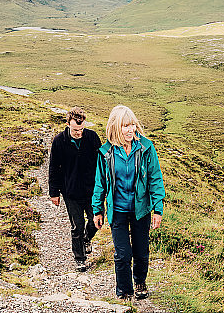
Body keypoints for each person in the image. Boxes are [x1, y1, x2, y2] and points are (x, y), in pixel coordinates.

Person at [92, 105, 164, 301]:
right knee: (123, 254)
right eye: (125, 125)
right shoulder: (105, 153)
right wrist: (97, 210)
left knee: (141, 251)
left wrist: (158, 209)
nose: (130, 129)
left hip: (141, 210)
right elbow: (100, 183)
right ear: (115, 127)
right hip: (118, 211)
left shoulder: (146, 148)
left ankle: (140, 281)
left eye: (132, 124)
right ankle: (124, 290)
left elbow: (155, 179)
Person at [49, 107, 102, 270]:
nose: (79, 133)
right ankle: (80, 258)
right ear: (68, 124)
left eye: (81, 129)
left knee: (97, 222)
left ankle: (87, 239)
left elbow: (102, 163)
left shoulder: (92, 137)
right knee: (77, 225)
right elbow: (54, 168)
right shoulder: (59, 141)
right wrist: (54, 193)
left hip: (92, 191)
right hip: (70, 192)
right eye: (75, 129)